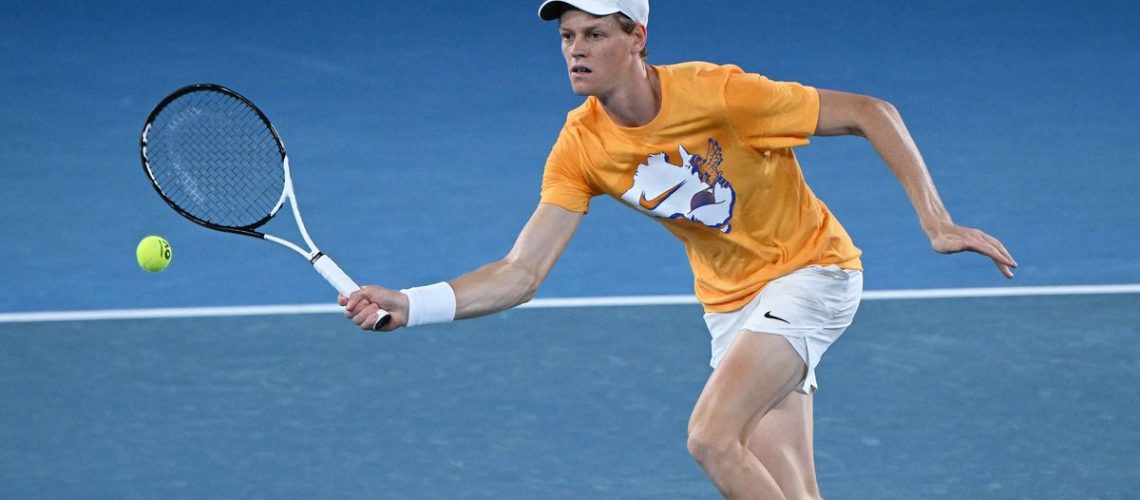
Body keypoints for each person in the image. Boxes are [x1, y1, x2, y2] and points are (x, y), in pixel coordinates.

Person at [342, 1, 1018, 498]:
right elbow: (521, 273)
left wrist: (937, 222)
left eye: (596, 34)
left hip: (813, 273)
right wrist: (412, 303)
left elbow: (872, 111)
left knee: (710, 438)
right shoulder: (581, 144)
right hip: (730, 307)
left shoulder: (720, 93)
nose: (576, 50)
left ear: (637, 40)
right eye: (568, 36)